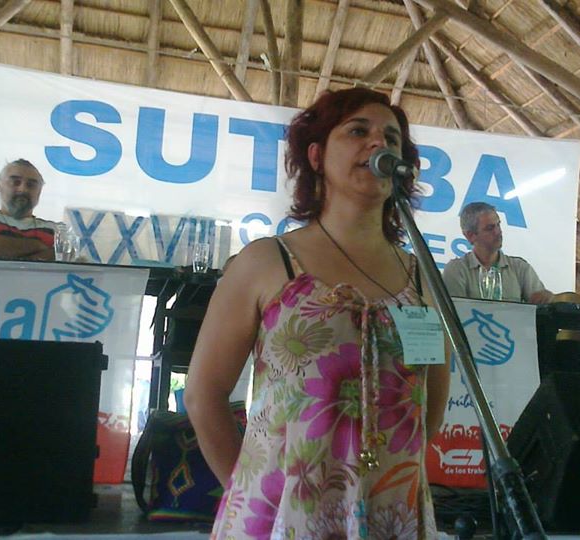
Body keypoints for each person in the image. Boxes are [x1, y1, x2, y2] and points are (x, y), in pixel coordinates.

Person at [184, 88, 450, 539]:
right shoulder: (267, 261)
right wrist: (252, 495)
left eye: (391, 138)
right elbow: (203, 394)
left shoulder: (423, 276)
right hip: (281, 518)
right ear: (315, 155)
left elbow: (432, 400)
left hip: (391, 516)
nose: (378, 143)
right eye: (358, 131)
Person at [443, 202, 554, 304]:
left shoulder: (520, 268)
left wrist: (547, 298)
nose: (498, 232)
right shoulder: (457, 270)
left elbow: (542, 306)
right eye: (490, 228)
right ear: (470, 235)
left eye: (498, 225)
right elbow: (455, 312)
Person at [0, 159, 59, 261]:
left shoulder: (58, 229)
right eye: (15, 182)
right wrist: (38, 246)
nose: (23, 189)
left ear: (39, 191)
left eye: (31, 185)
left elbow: (69, 256)